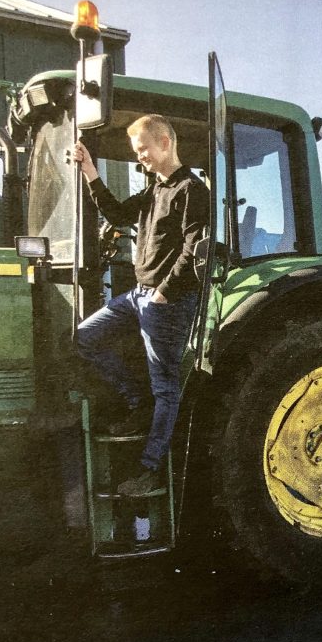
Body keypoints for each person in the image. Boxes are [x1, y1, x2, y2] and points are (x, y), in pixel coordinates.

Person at [73, 114, 208, 497]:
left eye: (143, 149)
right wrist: (89, 171)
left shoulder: (190, 191)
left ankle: (150, 469)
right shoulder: (154, 190)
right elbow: (117, 215)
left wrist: (165, 291)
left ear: (164, 142)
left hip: (167, 301)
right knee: (85, 337)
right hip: (138, 295)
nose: (140, 158)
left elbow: (194, 250)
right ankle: (137, 403)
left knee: (167, 388)